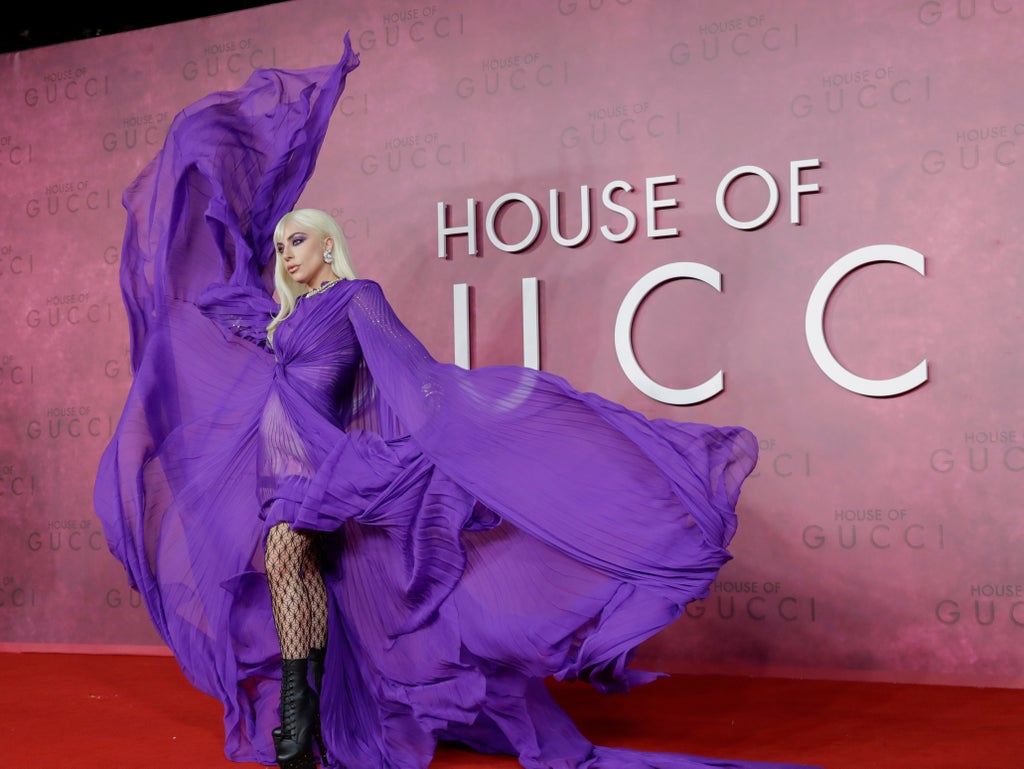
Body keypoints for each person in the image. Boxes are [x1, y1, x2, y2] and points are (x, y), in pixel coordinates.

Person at [94, 35, 819, 769]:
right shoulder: (278, 319)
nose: (287, 254)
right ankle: (305, 709)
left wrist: (469, 420)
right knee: (293, 569)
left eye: (299, 241)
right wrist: (206, 169)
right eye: (282, 245)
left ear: (329, 246)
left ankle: (299, 716)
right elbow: (212, 303)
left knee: (288, 557)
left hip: (323, 456)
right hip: (271, 455)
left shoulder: (357, 297)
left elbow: (412, 372)